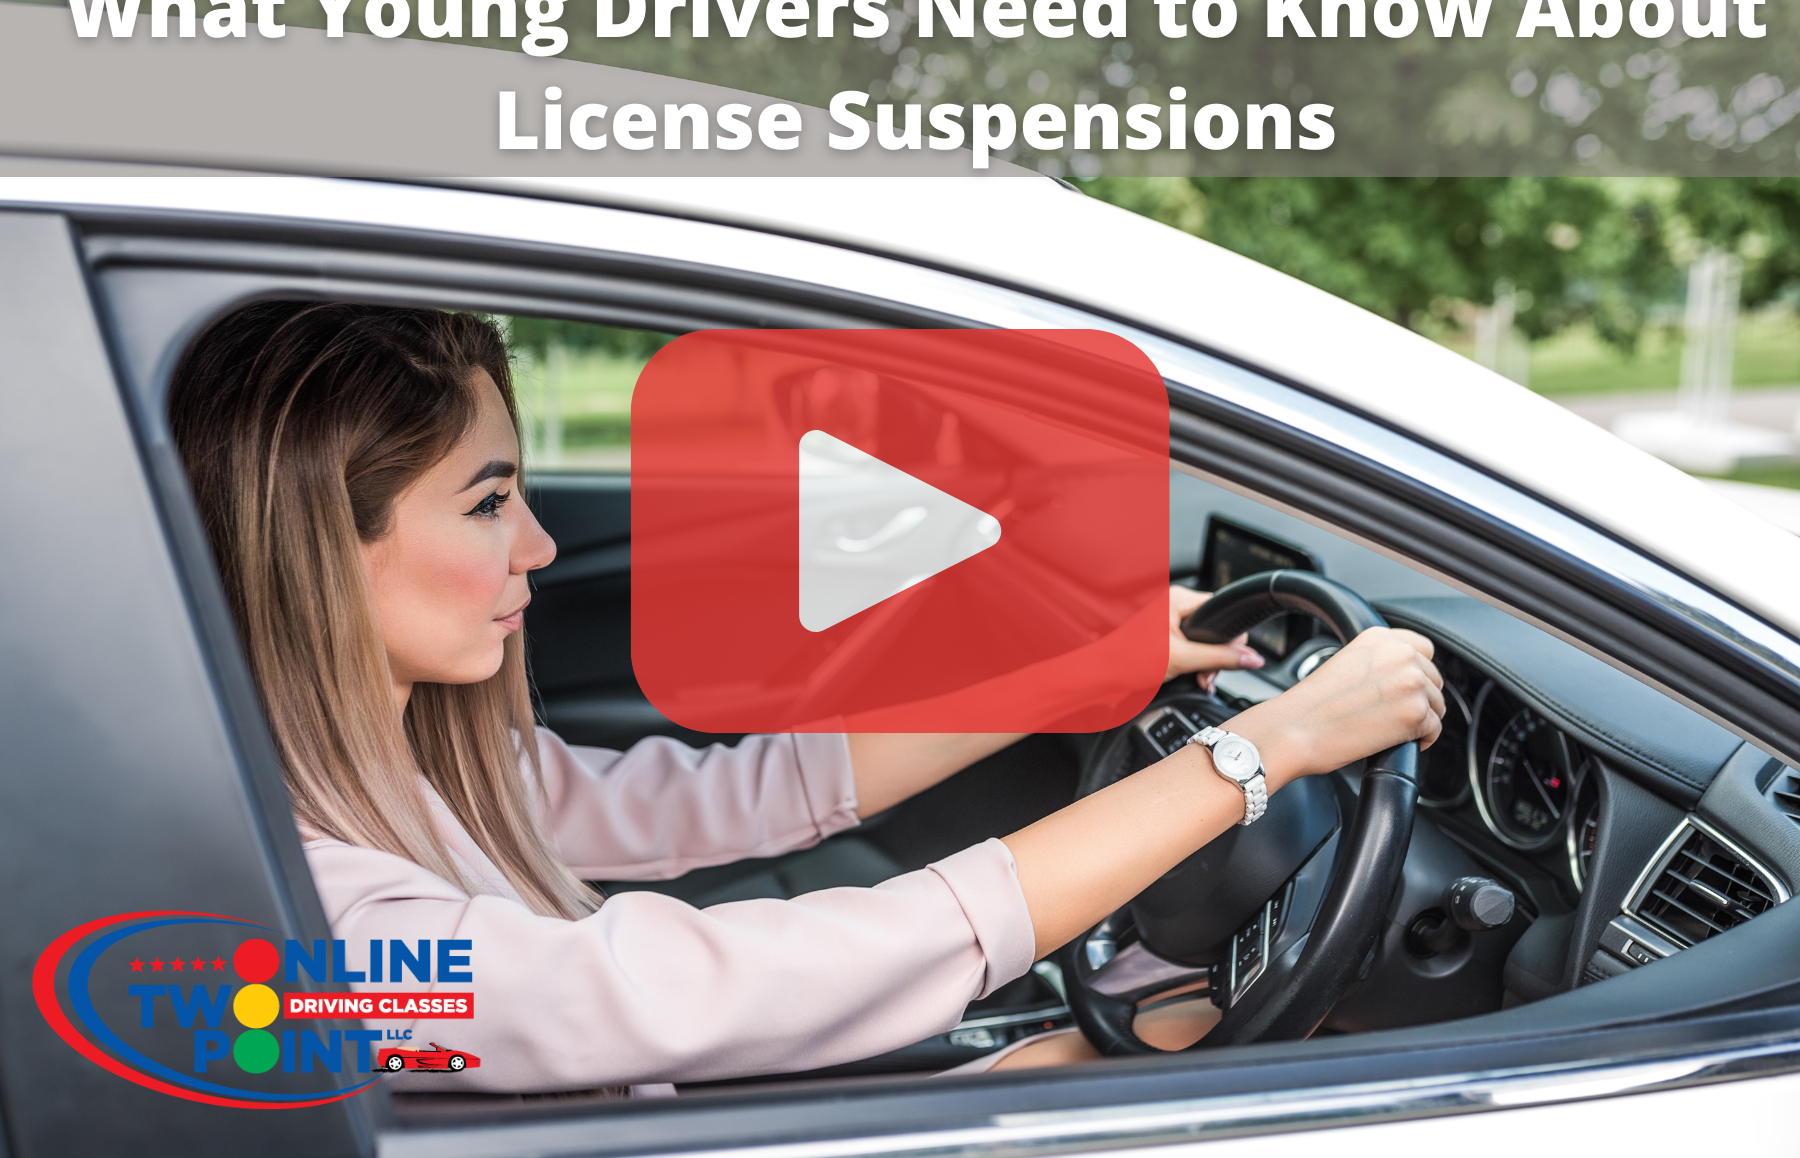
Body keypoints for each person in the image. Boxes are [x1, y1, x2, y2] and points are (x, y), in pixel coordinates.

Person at [168, 302, 1444, 1095]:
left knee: (1159, 1055)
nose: (540, 549)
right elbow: (696, 991)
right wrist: (1262, 751)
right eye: (490, 502)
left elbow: (753, 792)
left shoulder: (414, 771)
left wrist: (1090, 659)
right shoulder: (314, 931)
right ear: (318, 549)